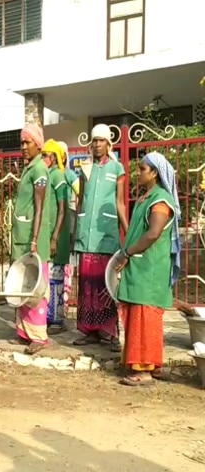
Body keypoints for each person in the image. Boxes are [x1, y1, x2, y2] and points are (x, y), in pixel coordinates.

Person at [114, 152, 180, 386]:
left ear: (154, 173)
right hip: (139, 268)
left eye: (142, 169)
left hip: (149, 269)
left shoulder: (160, 201)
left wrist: (127, 252)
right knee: (137, 316)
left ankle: (145, 370)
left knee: (145, 318)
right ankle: (144, 364)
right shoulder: (146, 197)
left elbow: (153, 233)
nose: (138, 173)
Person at [73, 124, 127, 352]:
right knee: (87, 284)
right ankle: (89, 331)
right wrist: (76, 229)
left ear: (108, 144)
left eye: (101, 141)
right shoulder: (84, 168)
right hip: (86, 234)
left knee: (106, 285)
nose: (96, 145)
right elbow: (80, 200)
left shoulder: (118, 168)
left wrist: (129, 233)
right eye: (94, 141)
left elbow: (120, 203)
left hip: (106, 234)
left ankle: (110, 332)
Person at [12, 124, 51, 354]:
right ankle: (25, 331)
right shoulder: (29, 168)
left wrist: (35, 239)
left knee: (37, 286)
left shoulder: (40, 171)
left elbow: (39, 207)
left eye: (28, 143)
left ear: (38, 144)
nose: (23, 147)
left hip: (32, 238)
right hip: (22, 236)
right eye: (22, 143)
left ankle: (39, 335)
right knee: (24, 283)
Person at [41, 139, 71, 334]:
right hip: (48, 234)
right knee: (48, 278)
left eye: (44, 155)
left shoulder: (59, 175)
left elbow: (62, 209)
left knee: (56, 279)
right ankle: (48, 317)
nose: (42, 158)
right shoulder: (48, 175)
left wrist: (54, 237)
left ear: (52, 157)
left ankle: (57, 320)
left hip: (57, 237)